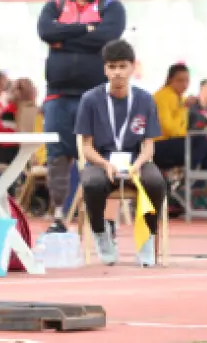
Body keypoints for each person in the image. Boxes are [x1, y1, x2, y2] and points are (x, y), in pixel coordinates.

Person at [37, 0, 126, 233]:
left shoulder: (112, 7)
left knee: (102, 155)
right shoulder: (54, 6)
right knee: (57, 157)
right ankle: (59, 217)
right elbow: (45, 31)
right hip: (58, 96)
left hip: (98, 96)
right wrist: (86, 30)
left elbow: (107, 38)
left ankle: (104, 221)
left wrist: (63, 38)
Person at [75, 39, 167, 266]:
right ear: (105, 69)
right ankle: (101, 233)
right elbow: (86, 146)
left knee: (156, 182)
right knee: (92, 184)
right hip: (101, 161)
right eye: (112, 67)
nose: (117, 72)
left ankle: (147, 237)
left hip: (137, 161)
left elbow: (149, 146)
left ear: (132, 67)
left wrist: (138, 164)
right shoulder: (90, 99)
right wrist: (105, 164)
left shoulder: (145, 99)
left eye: (122, 66)